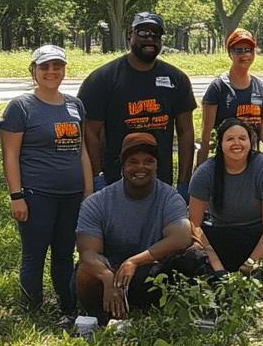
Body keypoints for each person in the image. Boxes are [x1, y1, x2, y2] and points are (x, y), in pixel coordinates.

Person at [74, 133, 209, 328]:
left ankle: (171, 312)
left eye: (148, 161)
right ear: (122, 166)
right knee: (86, 271)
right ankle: (98, 317)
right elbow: (88, 253)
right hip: (108, 274)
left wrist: (134, 261)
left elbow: (181, 237)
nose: (141, 167)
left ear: (157, 165)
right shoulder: (98, 202)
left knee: (194, 257)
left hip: (147, 272)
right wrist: (108, 276)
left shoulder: (169, 196)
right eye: (132, 162)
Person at [0, 44, 94, 325]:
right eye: (45, 67)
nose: (52, 72)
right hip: (36, 193)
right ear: (33, 71)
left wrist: (88, 192)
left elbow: (83, 151)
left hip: (73, 195)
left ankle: (67, 307)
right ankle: (32, 308)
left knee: (65, 253)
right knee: (35, 253)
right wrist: (16, 195)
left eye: (57, 66)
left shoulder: (74, 105)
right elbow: (10, 155)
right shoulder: (21, 107)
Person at [80, 11, 196, 198]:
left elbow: (186, 133)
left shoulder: (177, 79)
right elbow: (90, 133)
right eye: (143, 33)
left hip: (160, 183)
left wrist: (183, 183)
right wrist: (97, 178)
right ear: (129, 34)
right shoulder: (103, 79)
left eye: (155, 34)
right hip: (114, 184)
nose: (150, 39)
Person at [187, 118, 263, 279]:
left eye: (242, 138)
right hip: (222, 234)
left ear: (251, 141)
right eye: (230, 139)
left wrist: (250, 266)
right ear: (220, 144)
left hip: (259, 234)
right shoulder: (205, 172)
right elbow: (194, 225)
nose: (236, 143)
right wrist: (218, 268)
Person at [196, 27, 263, 168]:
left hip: (252, 163)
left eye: (248, 49)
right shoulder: (217, 88)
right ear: (230, 53)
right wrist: (200, 172)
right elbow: (206, 137)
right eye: (238, 50)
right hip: (225, 163)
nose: (245, 55)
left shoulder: (261, 88)